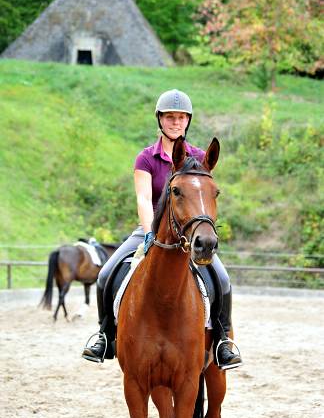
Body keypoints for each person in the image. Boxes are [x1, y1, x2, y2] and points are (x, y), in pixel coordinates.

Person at [82, 89, 242, 370]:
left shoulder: (199, 157)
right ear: (160, 119)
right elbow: (144, 199)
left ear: (188, 121)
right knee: (107, 273)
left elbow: (202, 196)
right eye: (170, 117)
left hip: (188, 233)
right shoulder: (146, 158)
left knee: (223, 280)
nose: (175, 122)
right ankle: (104, 335)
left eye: (181, 117)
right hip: (150, 231)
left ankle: (221, 340)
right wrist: (149, 233)